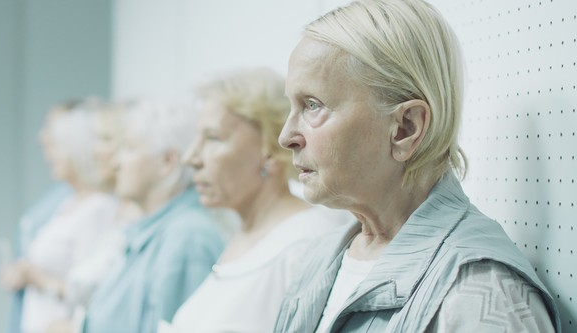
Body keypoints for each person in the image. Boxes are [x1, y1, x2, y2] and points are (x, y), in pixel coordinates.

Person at [274, 1, 561, 332]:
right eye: (292, 106)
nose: (286, 137)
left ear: (405, 128)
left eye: (313, 105)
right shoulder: (321, 257)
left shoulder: (483, 295)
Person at [161, 68, 350, 333]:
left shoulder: (306, 245)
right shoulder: (246, 235)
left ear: (272, 149)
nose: (191, 158)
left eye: (213, 138)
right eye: (197, 139)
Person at [82, 100, 225, 333]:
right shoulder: (151, 231)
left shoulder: (187, 237)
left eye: (129, 148)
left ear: (167, 161)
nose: (117, 163)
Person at [0, 100, 121, 333]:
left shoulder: (98, 208)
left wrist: (37, 277)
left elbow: (89, 290)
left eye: (55, 147)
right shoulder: (67, 202)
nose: (48, 156)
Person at [3, 101, 76, 333]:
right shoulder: (60, 199)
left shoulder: (100, 207)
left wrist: (39, 278)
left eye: (53, 132)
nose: (42, 138)